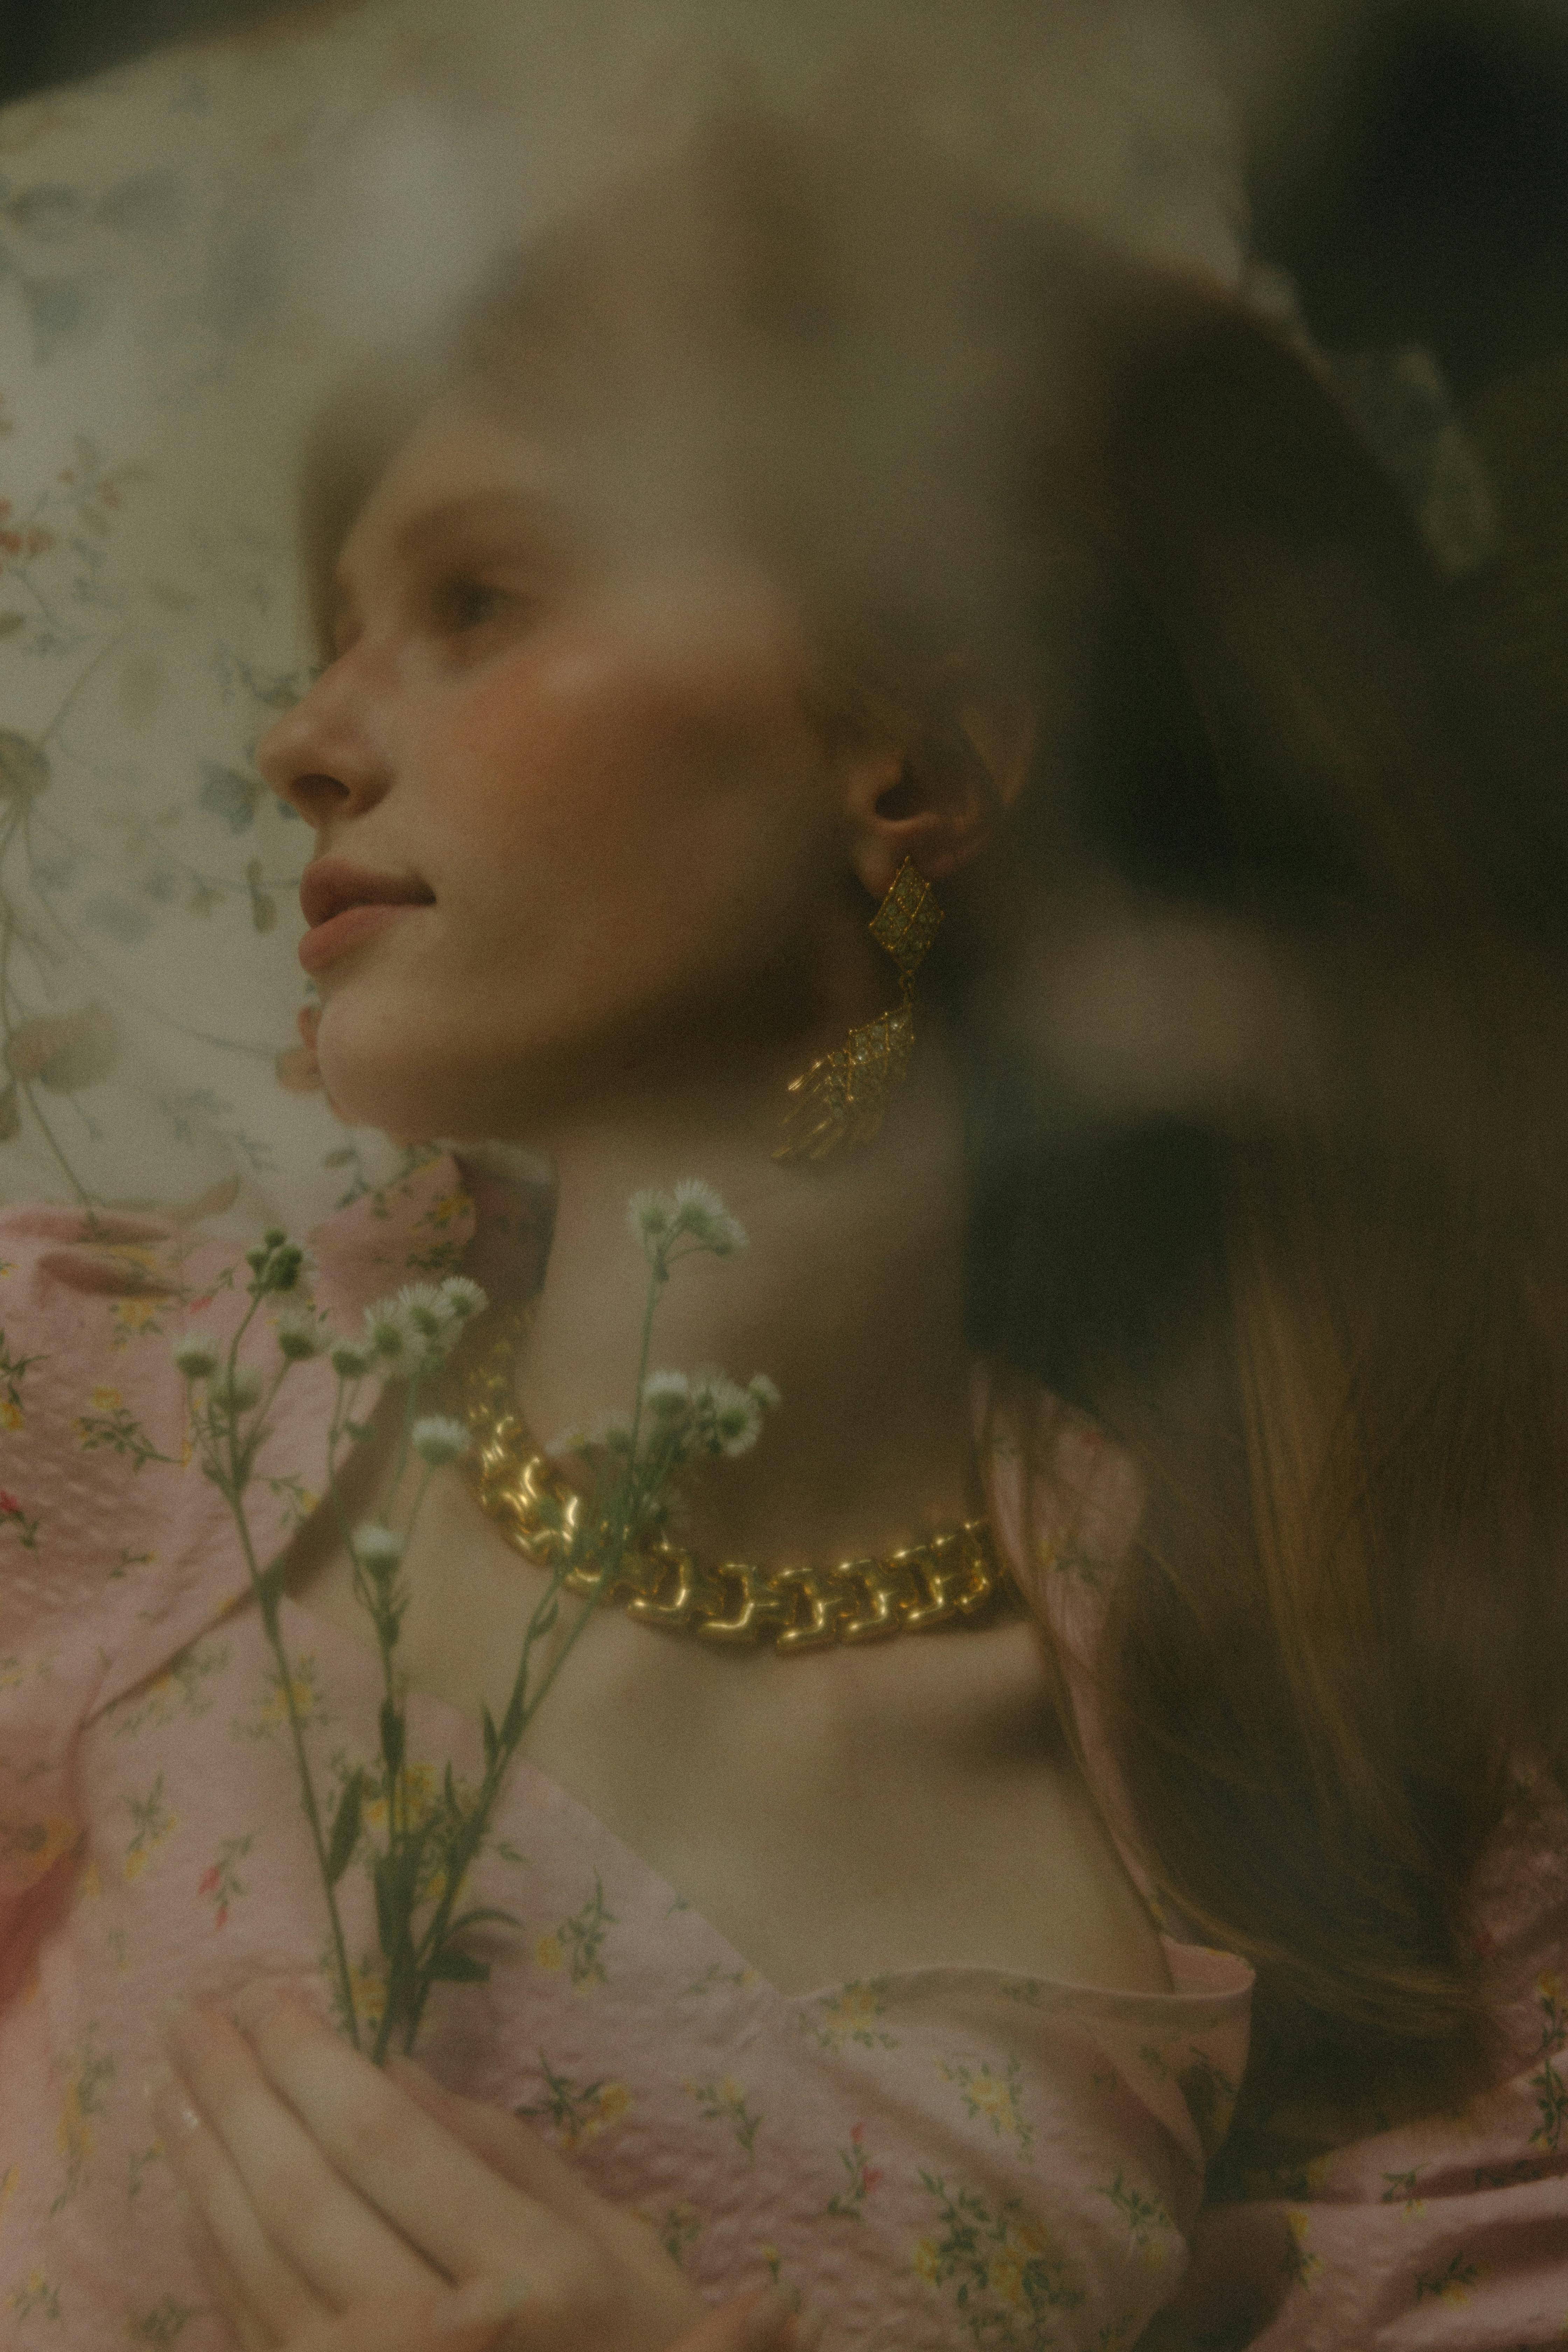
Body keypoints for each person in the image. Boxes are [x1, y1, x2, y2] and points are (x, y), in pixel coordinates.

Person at [1, 107, 1564, 2351]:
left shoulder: (1316, 1746)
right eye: (330, 633)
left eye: (479, 600)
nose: (301, 741)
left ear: (912, 767)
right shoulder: (105, 1433)